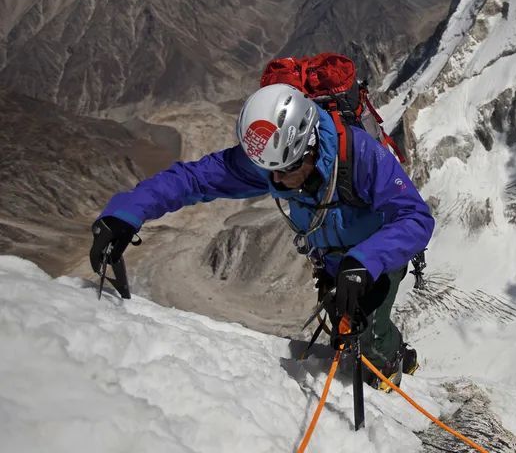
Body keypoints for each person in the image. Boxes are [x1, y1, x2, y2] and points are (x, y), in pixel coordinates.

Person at [89, 83, 434, 389]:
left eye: (285, 171)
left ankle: (390, 369)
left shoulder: (361, 156)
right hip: (334, 262)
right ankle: (392, 352)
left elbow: (415, 218)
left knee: (367, 340)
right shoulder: (271, 160)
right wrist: (127, 212)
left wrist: (364, 262)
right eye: (270, 172)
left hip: (379, 255)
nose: (277, 183)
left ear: (309, 146)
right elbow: (193, 179)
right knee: (345, 328)